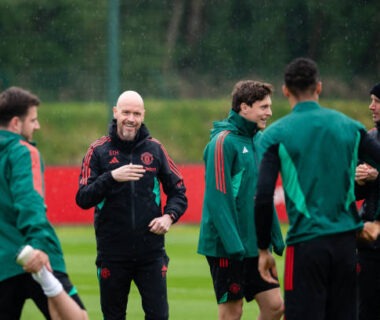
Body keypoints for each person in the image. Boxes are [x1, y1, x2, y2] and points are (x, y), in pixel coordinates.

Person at [254, 58, 380, 320]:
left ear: (286, 90)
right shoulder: (351, 127)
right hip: (347, 247)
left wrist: (263, 249)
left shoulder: (276, 134)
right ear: (319, 87)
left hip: (306, 246)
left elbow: (264, 197)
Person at [75, 90, 188, 320]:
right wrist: (111, 177)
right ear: (115, 112)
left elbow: (179, 192)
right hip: (112, 253)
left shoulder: (155, 149)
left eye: (136, 113)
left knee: (159, 317)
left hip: (151, 253)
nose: (131, 118)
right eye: (126, 112)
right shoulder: (98, 150)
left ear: (143, 115)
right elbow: (83, 198)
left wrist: (169, 217)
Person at [197, 80, 285, 320]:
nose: (269, 112)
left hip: (254, 244)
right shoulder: (222, 143)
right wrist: (235, 247)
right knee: (232, 312)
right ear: (244, 107)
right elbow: (218, 200)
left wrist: (274, 237)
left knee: (275, 306)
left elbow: (262, 196)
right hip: (227, 247)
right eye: (263, 106)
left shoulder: (259, 141)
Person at [0, 86, 88, 320]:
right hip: (33, 254)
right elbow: (29, 200)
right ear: (16, 123)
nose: (37, 126)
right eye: (33, 120)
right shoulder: (22, 151)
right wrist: (38, 244)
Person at [355, 82, 380, 320]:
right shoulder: (369, 137)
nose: (371, 107)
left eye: (377, 101)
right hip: (370, 244)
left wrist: (378, 176)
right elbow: (353, 193)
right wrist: (359, 181)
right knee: (363, 311)